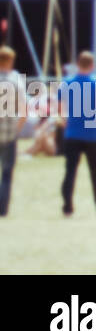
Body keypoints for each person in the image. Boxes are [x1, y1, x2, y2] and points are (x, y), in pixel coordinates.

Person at [60, 52, 96, 216]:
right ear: (92, 65)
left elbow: (60, 109)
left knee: (70, 171)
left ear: (78, 64)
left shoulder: (66, 83)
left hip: (72, 133)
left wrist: (67, 123)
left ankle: (67, 205)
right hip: (93, 134)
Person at [0, 46, 26, 217]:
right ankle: (2, 209)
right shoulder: (16, 81)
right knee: (7, 173)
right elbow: (23, 110)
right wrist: (17, 129)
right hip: (10, 133)